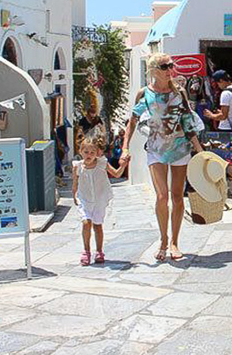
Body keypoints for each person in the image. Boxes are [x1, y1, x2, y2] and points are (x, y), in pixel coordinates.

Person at [121, 53, 204, 261]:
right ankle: (163, 239)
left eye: (171, 65)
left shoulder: (180, 93)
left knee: (177, 196)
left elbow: (187, 123)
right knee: (161, 197)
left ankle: (175, 241)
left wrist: (199, 150)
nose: (170, 70)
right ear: (154, 70)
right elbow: (131, 121)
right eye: (165, 66)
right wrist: (125, 148)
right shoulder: (144, 94)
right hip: (156, 149)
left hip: (179, 148)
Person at [72, 134, 129, 266]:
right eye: (86, 152)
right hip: (84, 199)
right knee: (86, 223)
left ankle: (99, 251)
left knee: (97, 225)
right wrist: (74, 195)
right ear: (80, 151)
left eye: (92, 152)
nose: (89, 155)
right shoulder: (78, 166)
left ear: (97, 152)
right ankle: (86, 251)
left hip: (99, 199)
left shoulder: (102, 163)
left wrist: (123, 165)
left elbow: (116, 174)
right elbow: (75, 182)